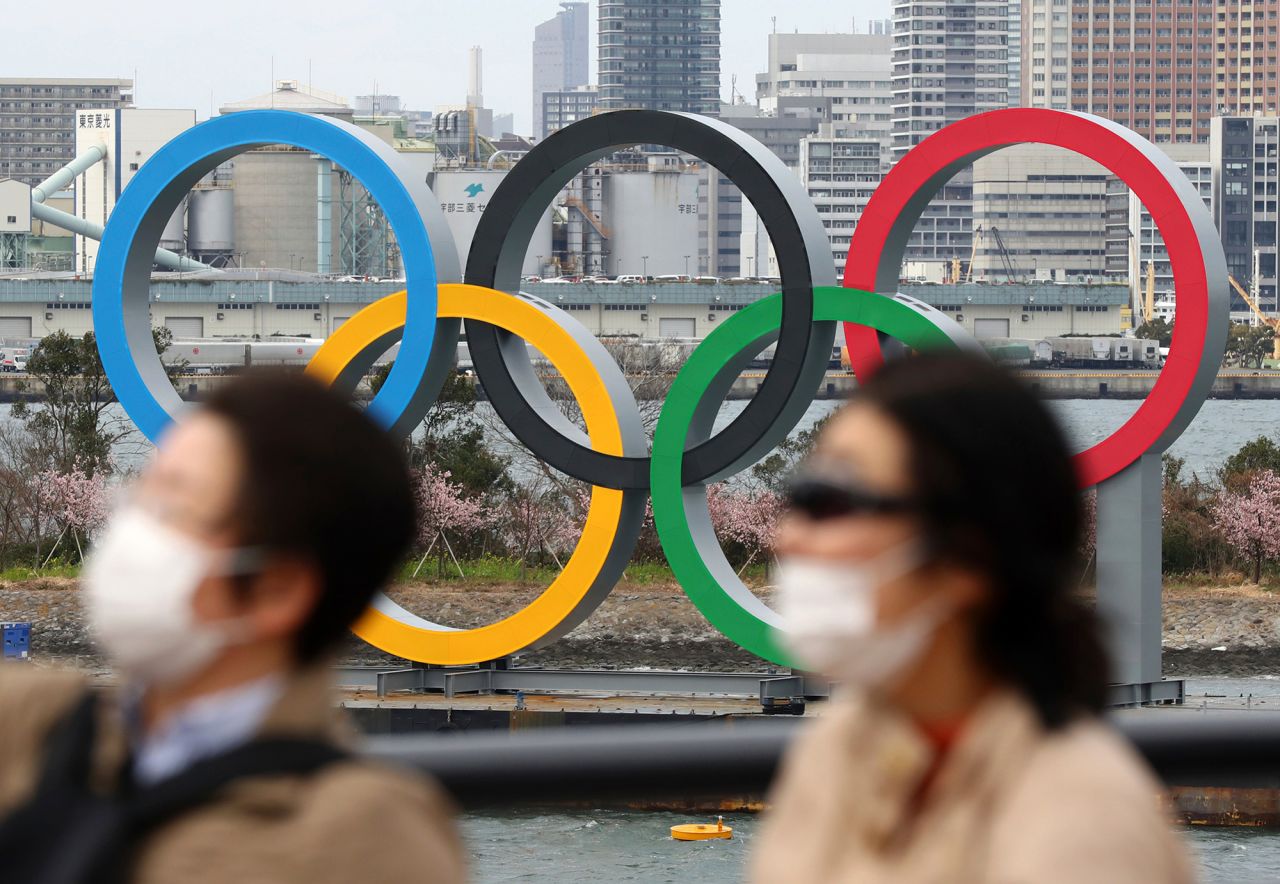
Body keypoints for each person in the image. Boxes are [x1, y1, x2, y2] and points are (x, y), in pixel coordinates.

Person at [0, 372, 465, 883]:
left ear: (276, 590)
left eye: (173, 509)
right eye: (141, 501)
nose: (131, 535)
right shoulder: (42, 726)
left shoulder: (363, 842)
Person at [752, 353, 1192, 883]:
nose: (791, 536)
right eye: (799, 498)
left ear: (968, 556)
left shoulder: (1080, 819)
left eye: (832, 503)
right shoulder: (839, 749)